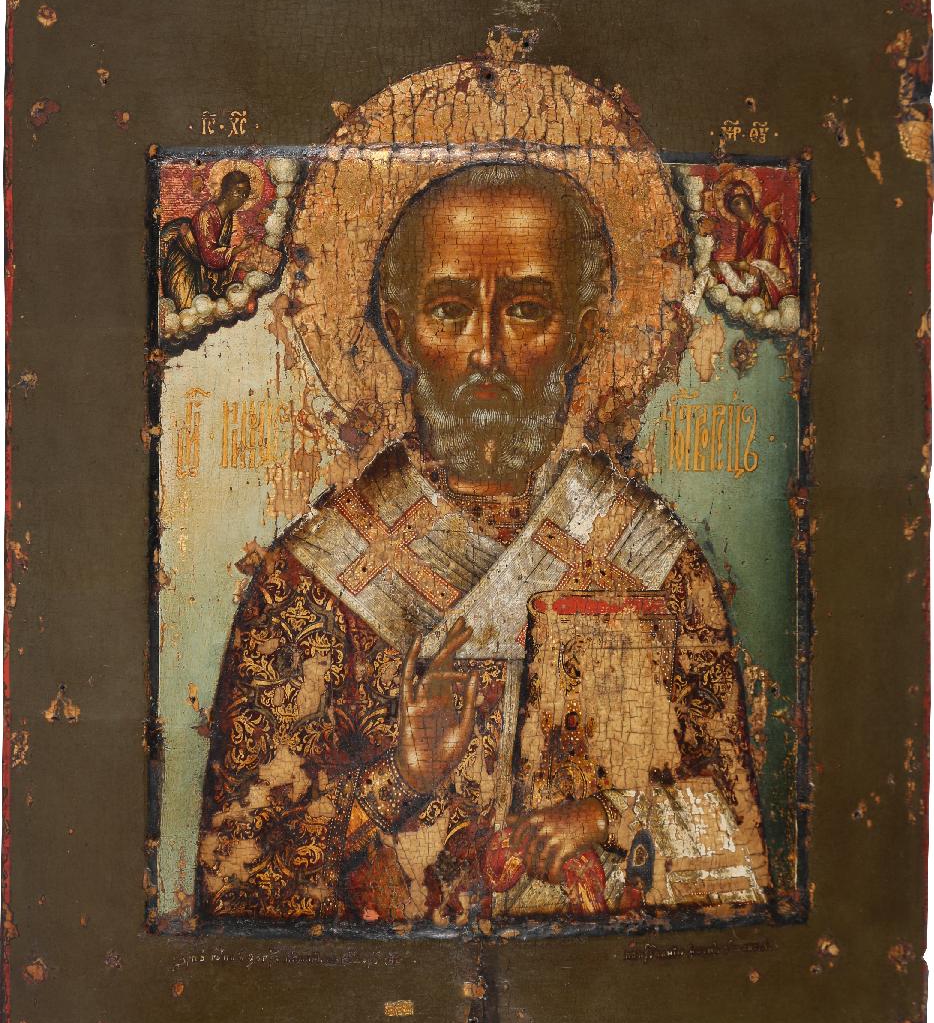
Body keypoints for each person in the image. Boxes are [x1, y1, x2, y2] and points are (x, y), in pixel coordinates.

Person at [196, 162, 771, 925]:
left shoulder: (653, 562)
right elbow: (238, 886)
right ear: (399, 330)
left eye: (527, 309)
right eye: (450, 309)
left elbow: (744, 855)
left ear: (584, 331)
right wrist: (401, 778)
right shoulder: (312, 579)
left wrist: (605, 817)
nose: (486, 350)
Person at [161, 170, 253, 310]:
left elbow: (216, 254)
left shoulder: (227, 217)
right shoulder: (207, 214)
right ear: (226, 190)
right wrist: (239, 249)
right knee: (187, 313)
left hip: (199, 271)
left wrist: (236, 266)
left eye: (246, 194)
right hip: (184, 270)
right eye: (238, 191)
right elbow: (210, 257)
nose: (242, 198)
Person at [718, 180, 797, 308]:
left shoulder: (768, 228)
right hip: (753, 287)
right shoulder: (743, 233)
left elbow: (769, 270)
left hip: (775, 290)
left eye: (738, 203)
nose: (735, 209)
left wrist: (746, 268)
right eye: (732, 206)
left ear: (749, 202)